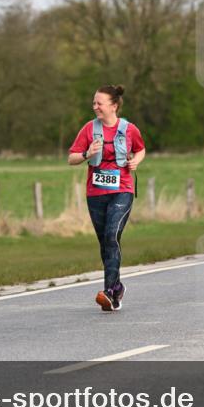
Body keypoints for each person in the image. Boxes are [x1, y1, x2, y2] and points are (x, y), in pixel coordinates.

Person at [68, 85, 146, 311]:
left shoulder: (129, 129)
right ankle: (115, 289)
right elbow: (71, 158)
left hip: (122, 190)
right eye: (93, 103)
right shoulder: (88, 129)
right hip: (95, 194)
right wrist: (86, 154)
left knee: (112, 235)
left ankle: (110, 291)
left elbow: (140, 149)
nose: (95, 107)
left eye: (99, 103)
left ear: (113, 106)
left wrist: (136, 161)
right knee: (105, 242)